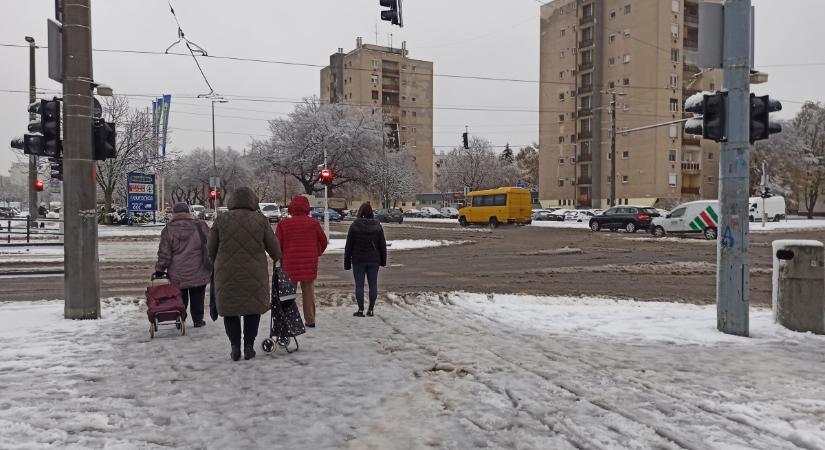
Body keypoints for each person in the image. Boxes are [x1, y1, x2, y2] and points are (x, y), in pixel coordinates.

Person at [208, 187, 281, 361]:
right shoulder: (260, 220)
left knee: (230, 310)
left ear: (231, 201)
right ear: (253, 201)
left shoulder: (221, 220)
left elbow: (210, 249)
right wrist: (278, 260)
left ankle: (234, 346)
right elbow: (275, 250)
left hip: (226, 273)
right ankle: (249, 346)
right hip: (254, 274)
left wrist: (216, 263)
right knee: (251, 310)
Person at [155, 202, 211, 328]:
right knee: (198, 296)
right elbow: (210, 244)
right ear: (188, 212)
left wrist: (160, 269)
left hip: (177, 273)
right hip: (199, 270)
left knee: (180, 297)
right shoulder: (200, 226)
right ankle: (198, 320)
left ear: (174, 213)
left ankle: (180, 319)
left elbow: (165, 253)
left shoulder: (168, 229)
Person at [276, 196, 328, 328]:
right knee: (308, 294)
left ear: (291, 208)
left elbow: (277, 245)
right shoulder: (313, 223)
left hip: (289, 264)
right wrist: (316, 252)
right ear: (307, 208)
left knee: (288, 295)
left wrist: (281, 258)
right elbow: (323, 241)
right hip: (308, 264)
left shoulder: (283, 224)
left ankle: (288, 320)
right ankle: (310, 320)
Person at [344, 203, 387, 317]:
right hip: (374, 259)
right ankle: (371, 309)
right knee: (373, 285)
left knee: (359, 285)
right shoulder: (377, 226)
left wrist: (347, 262)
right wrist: (383, 260)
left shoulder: (354, 225)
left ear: (360, 212)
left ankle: (361, 310)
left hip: (358, 260)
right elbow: (382, 245)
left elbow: (349, 245)